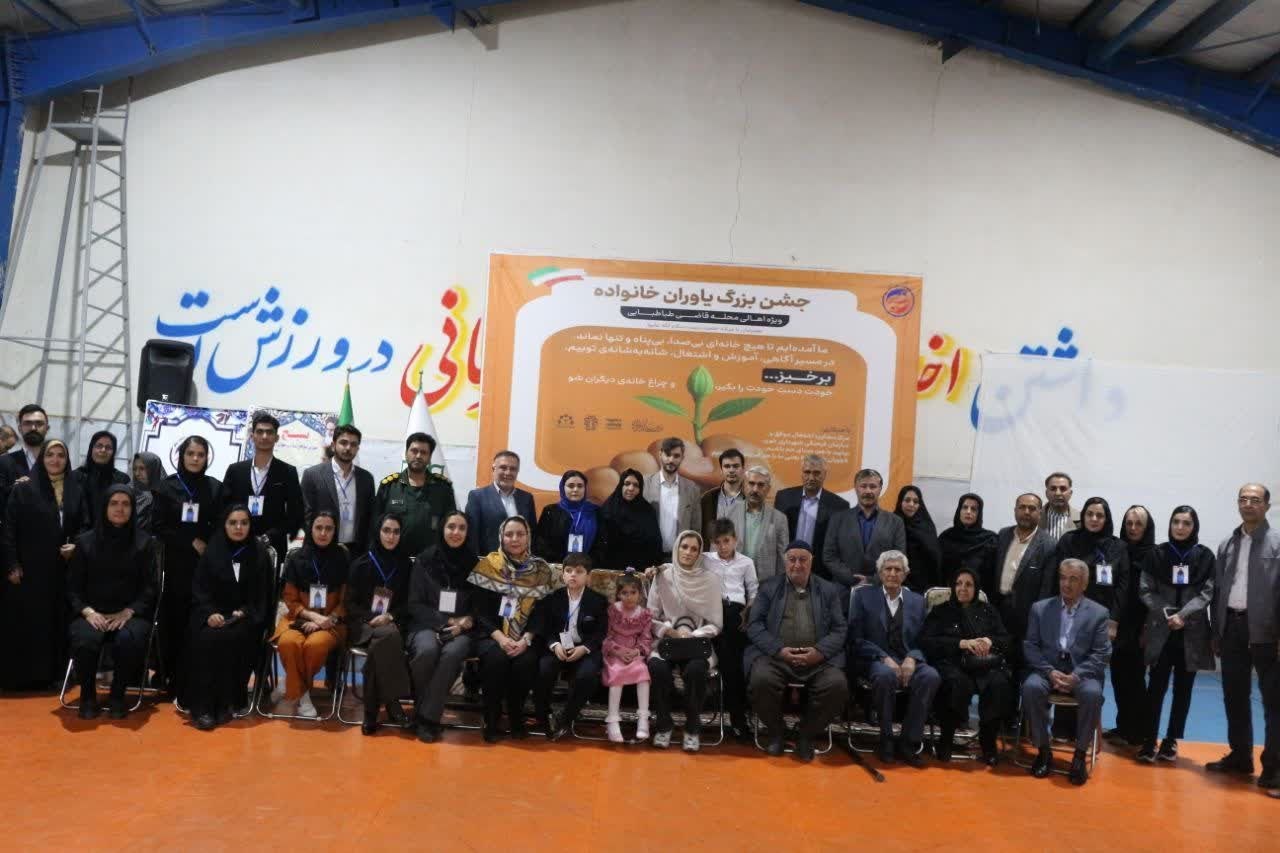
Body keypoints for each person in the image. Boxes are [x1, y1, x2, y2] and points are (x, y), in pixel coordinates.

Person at [745, 540, 849, 762]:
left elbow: (840, 629)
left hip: (818, 661)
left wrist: (819, 652)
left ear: (812, 562)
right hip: (776, 658)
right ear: (785, 562)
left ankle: (806, 735)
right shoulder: (769, 587)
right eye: (792, 559)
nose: (797, 565)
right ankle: (777, 733)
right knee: (761, 679)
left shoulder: (828, 590)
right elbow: (754, 625)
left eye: (803, 559)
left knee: (837, 685)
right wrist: (779, 651)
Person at [1, 438, 90, 690]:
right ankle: (24, 678)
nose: (55, 460)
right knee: (29, 623)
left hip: (62, 570)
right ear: (42, 458)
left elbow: (85, 525)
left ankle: (54, 676)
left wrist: (77, 546)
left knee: (56, 622)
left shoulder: (75, 489)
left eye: (61, 455)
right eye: (50, 454)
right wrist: (11, 564)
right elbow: (9, 530)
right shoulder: (24, 489)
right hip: (29, 570)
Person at [1207, 483, 1280, 789]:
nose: (1248, 504)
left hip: (1268, 631)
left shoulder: (1277, 543)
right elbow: (1218, 590)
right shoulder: (1227, 543)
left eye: (1255, 499)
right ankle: (1240, 756)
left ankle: (1274, 768)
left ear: (1267, 506)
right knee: (1234, 695)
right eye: (1243, 499)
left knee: (1274, 701)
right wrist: (1216, 629)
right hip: (1232, 628)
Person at [66, 485, 157, 719]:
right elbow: (73, 588)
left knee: (128, 639)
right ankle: (87, 696)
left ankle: (118, 695)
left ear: (133, 509)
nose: (120, 509)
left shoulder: (144, 543)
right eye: (114, 503)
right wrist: (88, 612)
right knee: (86, 639)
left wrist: (129, 611)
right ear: (104, 507)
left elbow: (150, 588)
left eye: (126, 504)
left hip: (129, 614)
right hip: (91, 613)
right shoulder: (85, 542)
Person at [1021, 558, 1112, 786]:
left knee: (1092, 694)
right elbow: (1030, 646)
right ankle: (1044, 751)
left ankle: (1079, 756)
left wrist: (1076, 676)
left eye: (1073, 579)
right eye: (1062, 578)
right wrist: (1049, 672)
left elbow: (1102, 653)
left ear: (1084, 584)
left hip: (1082, 673)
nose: (1066, 584)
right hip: (1048, 670)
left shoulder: (1099, 613)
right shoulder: (1040, 609)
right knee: (1031, 688)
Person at [1136, 506, 1215, 763]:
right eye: (1176, 522)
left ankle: (1171, 740)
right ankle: (1149, 740)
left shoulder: (1205, 556)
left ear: (1194, 527)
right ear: (1170, 525)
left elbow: (1207, 592)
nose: (1180, 527)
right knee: (1155, 687)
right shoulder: (1156, 555)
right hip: (1162, 629)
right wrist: (1169, 614)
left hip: (1191, 633)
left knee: (1184, 689)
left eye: (1186, 523)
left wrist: (1184, 615)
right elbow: (1146, 590)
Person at [185, 506, 274, 730]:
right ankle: (204, 708)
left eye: (244, 523)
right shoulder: (213, 551)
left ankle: (226, 703)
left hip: (246, 617)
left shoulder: (259, 553)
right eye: (233, 523)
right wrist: (209, 613)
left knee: (231, 637)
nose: (238, 527)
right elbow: (200, 590)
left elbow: (263, 595)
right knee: (206, 638)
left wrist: (244, 611)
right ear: (224, 525)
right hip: (213, 615)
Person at [848, 550, 940, 766]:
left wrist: (912, 658)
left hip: (907, 658)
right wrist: (883, 658)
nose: (892, 573)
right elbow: (855, 639)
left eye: (897, 569)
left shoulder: (917, 601)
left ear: (905, 574)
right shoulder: (863, 597)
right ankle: (886, 739)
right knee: (885, 676)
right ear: (880, 573)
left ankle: (908, 742)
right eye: (887, 569)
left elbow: (925, 639)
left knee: (930, 676)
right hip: (874, 659)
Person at [467, 515, 554, 742]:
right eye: (509, 534)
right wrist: (501, 638)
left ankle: (516, 717)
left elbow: (543, 612)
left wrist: (526, 639)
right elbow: (480, 611)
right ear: (501, 537)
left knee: (525, 662)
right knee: (496, 660)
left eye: (520, 534)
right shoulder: (488, 565)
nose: (514, 539)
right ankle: (491, 718)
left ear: (528, 537)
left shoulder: (541, 569)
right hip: (492, 634)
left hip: (527, 636)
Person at [920, 566, 1013, 764]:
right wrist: (961, 643)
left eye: (969, 584)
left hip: (984, 665)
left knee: (999, 684)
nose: (963, 588)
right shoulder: (941, 611)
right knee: (957, 683)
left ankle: (988, 744)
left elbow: (1006, 639)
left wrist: (989, 641)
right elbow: (927, 641)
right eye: (959, 583)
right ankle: (946, 739)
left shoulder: (988, 611)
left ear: (976, 588)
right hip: (952, 663)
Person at [153, 435, 222, 700]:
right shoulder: (166, 487)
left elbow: (221, 524)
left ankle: (196, 676)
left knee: (200, 619)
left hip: (205, 566)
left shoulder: (214, 487)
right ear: (181, 456)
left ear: (207, 458)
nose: (195, 459)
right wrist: (190, 540)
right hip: (175, 564)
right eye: (190, 454)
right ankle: (170, 676)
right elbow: (159, 526)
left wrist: (208, 545)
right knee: (174, 621)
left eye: (200, 455)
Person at [647, 530, 723, 752]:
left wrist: (693, 635)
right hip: (667, 642)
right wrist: (670, 632)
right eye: (684, 546)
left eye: (694, 549)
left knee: (696, 670)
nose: (688, 552)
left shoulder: (710, 580)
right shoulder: (663, 576)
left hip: (696, 643)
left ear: (700, 554)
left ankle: (692, 728)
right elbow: (650, 617)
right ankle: (664, 725)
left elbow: (715, 623)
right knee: (657, 668)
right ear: (677, 548)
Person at [269, 510, 348, 719]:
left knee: (315, 645)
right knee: (288, 643)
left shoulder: (342, 558)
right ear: (310, 529)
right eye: (318, 527)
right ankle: (303, 696)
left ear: (335, 531)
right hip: (298, 619)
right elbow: (290, 598)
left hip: (332, 622)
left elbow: (346, 601)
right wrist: (313, 617)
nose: (323, 533)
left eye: (329, 528)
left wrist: (326, 621)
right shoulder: (297, 558)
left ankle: (289, 683)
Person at [407, 511, 477, 742]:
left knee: (452, 653)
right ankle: (427, 713)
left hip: (462, 631)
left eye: (462, 528)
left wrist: (465, 623)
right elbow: (414, 603)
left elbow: (480, 606)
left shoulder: (475, 565)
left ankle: (425, 718)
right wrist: (447, 621)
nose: (456, 532)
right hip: (426, 623)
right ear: (442, 529)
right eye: (451, 527)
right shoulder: (424, 560)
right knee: (427, 650)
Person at [348, 513, 414, 735]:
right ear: (378, 532)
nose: (391, 536)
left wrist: (390, 616)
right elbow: (350, 604)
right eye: (386, 530)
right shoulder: (361, 564)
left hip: (394, 624)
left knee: (383, 641)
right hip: (363, 625)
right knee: (387, 637)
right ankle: (393, 703)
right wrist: (371, 618)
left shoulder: (406, 565)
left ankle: (370, 713)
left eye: (396, 532)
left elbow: (410, 603)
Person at [531, 553, 608, 740]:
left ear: (588, 576)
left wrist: (584, 648)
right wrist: (554, 644)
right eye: (569, 571)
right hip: (558, 647)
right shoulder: (552, 598)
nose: (573, 575)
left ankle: (566, 718)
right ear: (563, 574)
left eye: (579, 571)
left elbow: (601, 632)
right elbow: (545, 628)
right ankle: (544, 715)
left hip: (584, 649)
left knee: (587, 676)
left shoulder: (598, 601)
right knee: (544, 669)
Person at [220, 412, 305, 563]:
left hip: (272, 547)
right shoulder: (235, 470)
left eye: (269, 432)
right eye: (259, 432)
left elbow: (295, 513)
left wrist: (268, 537)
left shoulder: (288, 472)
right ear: (252, 436)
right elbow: (224, 508)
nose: (264, 436)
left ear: (276, 438)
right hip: (236, 543)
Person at [702, 518, 758, 739]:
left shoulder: (746, 562)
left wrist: (749, 610)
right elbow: (680, 565)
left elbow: (753, 590)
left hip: (737, 614)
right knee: (729, 663)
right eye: (718, 542)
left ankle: (738, 717)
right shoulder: (705, 559)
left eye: (726, 541)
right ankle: (736, 719)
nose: (722, 546)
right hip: (711, 613)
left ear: (735, 539)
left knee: (735, 666)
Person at [1050, 497, 1129, 641]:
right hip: (1068, 614)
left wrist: (1113, 620)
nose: (1094, 519)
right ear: (1083, 516)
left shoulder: (1118, 547)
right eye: (1090, 514)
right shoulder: (1069, 540)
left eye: (1099, 515)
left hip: (1102, 617)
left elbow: (1122, 587)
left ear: (1106, 519)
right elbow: (1055, 578)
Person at [989, 493, 1058, 653]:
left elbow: (1046, 588)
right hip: (998, 609)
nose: (1026, 512)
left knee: (1021, 658)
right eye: (1022, 507)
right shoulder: (1003, 535)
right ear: (1015, 510)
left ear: (1040, 513)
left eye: (1032, 508)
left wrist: (1038, 619)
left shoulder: (1049, 545)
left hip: (1027, 615)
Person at [370, 432, 455, 559]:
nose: (418, 456)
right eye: (414, 451)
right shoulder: (389, 486)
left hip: (431, 561)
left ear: (430, 457)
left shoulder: (443, 489)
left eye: (423, 452)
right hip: (394, 560)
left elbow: (451, 526)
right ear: (406, 453)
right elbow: (375, 526)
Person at [1109, 505, 1154, 745]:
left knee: (1136, 680)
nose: (1133, 528)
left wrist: (1148, 627)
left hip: (1142, 625)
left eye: (1138, 524)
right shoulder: (1118, 550)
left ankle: (1140, 732)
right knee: (1118, 677)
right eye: (1129, 523)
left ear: (1147, 528)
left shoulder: (1154, 555)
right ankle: (1123, 727)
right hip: (1119, 623)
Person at [824, 469, 906, 589]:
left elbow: (898, 558)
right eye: (863, 486)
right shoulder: (838, 519)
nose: (868, 491)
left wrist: (873, 580)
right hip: (843, 590)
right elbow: (829, 556)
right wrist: (851, 578)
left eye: (873, 486)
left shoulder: (895, 522)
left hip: (881, 589)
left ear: (880, 489)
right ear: (856, 488)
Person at [301, 425, 375, 553]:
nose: (348, 448)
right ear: (333, 445)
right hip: (320, 549)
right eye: (343, 443)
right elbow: (304, 514)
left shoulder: (366, 478)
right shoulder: (312, 475)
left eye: (353, 444)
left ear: (357, 448)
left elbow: (370, 517)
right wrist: (321, 538)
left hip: (356, 552)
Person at [775, 455, 850, 580]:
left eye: (816, 473)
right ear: (801, 473)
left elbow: (838, 547)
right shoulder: (784, 498)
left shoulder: (839, 506)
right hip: (786, 570)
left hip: (820, 574)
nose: (811, 477)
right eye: (807, 472)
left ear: (824, 475)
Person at [602, 572, 653, 743]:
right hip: (614, 653)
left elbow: (646, 638)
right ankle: (612, 720)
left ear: (640, 594)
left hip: (633, 654)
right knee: (617, 674)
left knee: (643, 673)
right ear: (618, 594)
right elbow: (606, 636)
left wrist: (637, 651)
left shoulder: (645, 614)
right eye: (624, 593)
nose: (629, 596)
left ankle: (643, 719)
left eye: (633, 592)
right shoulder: (612, 611)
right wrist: (617, 651)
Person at [464, 450, 536, 556]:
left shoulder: (527, 498)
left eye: (513, 469)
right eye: (503, 467)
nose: (508, 472)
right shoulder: (477, 497)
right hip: (489, 561)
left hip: (521, 562)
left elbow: (532, 534)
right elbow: (472, 535)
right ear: (494, 469)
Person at [643, 437, 702, 553]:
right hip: (649, 555)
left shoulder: (692, 489)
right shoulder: (644, 485)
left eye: (676, 456)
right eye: (667, 455)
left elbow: (696, 528)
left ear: (682, 458)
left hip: (680, 557)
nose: (671, 460)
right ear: (660, 454)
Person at [599, 468, 664, 572]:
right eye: (627, 483)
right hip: (611, 570)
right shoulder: (609, 508)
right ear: (621, 486)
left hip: (640, 571)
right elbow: (600, 544)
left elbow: (655, 544)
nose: (631, 488)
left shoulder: (647, 511)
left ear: (640, 489)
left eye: (636, 485)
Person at [533, 469, 603, 565]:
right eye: (571, 486)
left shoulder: (596, 511)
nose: (575, 489)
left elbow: (601, 544)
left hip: (589, 569)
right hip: (557, 568)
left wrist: (587, 564)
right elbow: (541, 544)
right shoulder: (551, 511)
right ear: (563, 488)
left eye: (580, 486)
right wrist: (563, 564)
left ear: (585, 489)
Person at [938, 493, 998, 591]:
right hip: (949, 593)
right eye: (965, 507)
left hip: (978, 594)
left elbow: (991, 576)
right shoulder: (946, 537)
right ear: (959, 511)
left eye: (973, 509)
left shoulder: (989, 539)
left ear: (979, 514)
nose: (968, 512)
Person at [738, 466, 787, 583]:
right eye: (751, 483)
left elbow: (782, 558)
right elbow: (717, 550)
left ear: (768, 489)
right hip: (734, 582)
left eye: (761, 485)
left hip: (765, 585)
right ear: (744, 485)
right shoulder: (729, 513)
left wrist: (778, 586)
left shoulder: (779, 518)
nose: (755, 489)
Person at [0, 404, 50, 512]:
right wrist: (15, 490)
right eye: (27, 423)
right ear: (20, 428)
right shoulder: (4, 463)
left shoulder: (58, 462)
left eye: (39, 423)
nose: (33, 428)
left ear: (47, 428)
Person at [893, 485, 941, 594]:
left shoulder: (927, 526)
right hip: (896, 583)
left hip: (924, 586)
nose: (911, 504)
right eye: (907, 500)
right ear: (900, 502)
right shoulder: (892, 524)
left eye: (915, 501)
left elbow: (935, 558)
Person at [73, 430, 129, 518]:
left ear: (113, 452)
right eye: (99, 446)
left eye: (108, 447)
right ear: (91, 449)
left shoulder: (122, 480)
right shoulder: (76, 476)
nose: (103, 450)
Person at [698, 448, 746, 544]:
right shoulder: (708, 498)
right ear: (721, 470)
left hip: (741, 552)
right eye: (727, 466)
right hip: (712, 552)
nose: (731, 470)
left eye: (736, 466)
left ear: (743, 469)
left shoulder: (752, 499)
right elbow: (700, 529)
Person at [130, 452, 165, 534]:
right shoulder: (127, 491)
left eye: (142, 469)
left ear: (154, 468)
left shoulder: (168, 493)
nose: (137, 473)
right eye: (134, 469)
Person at [1040, 472, 1080, 541]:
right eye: (1053, 489)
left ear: (1070, 493)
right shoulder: (1034, 518)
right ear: (1046, 493)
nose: (1058, 493)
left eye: (1063, 489)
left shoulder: (1082, 520)